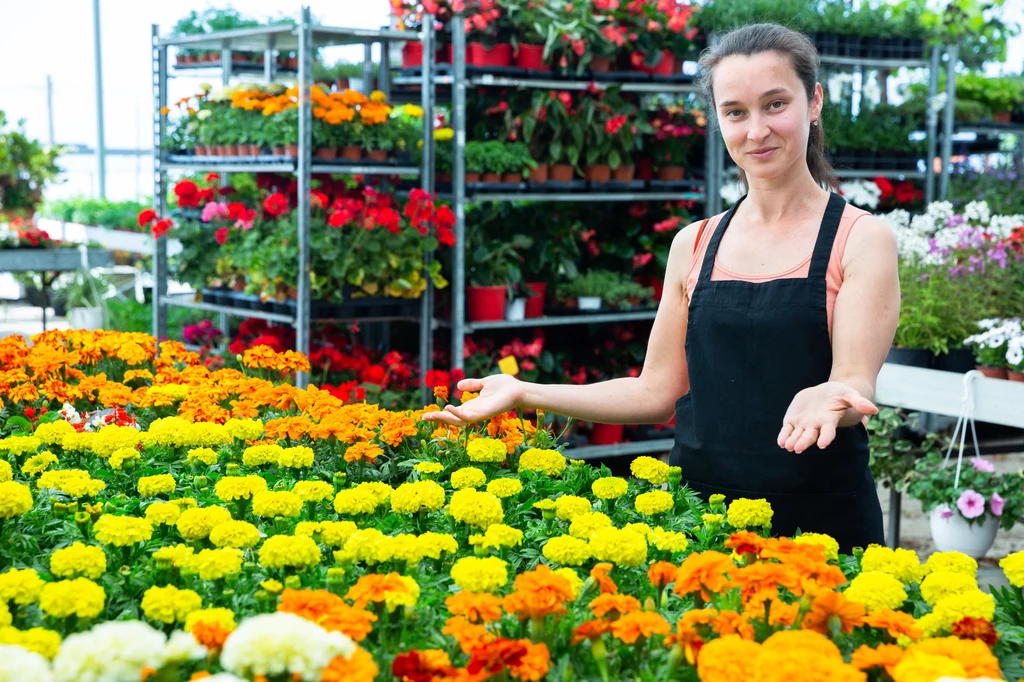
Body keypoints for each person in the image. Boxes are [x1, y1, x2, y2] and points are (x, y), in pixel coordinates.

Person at [424, 23, 900, 552]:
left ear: (813, 102)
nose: (757, 130)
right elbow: (655, 392)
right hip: (700, 522)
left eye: (775, 104)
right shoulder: (694, 244)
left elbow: (855, 386)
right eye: (735, 112)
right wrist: (522, 391)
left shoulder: (860, 239)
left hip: (821, 526)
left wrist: (829, 397)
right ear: (718, 119)